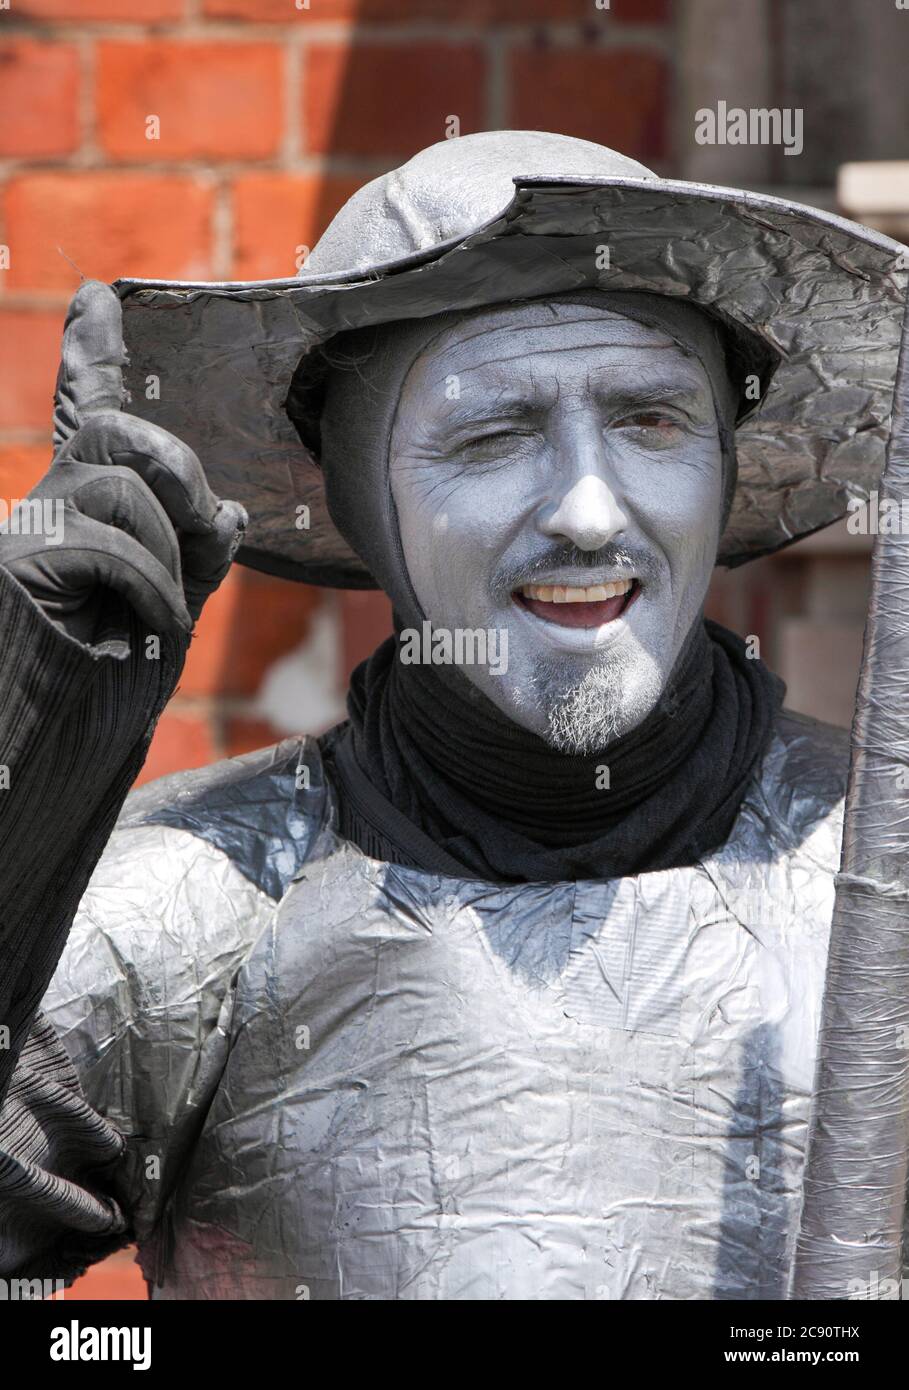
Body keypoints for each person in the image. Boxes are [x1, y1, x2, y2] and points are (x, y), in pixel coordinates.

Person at [0, 131, 904, 1301]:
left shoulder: (872, 883)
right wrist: (24, 764)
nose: (588, 510)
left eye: (651, 421)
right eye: (491, 434)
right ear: (358, 498)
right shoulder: (194, 911)